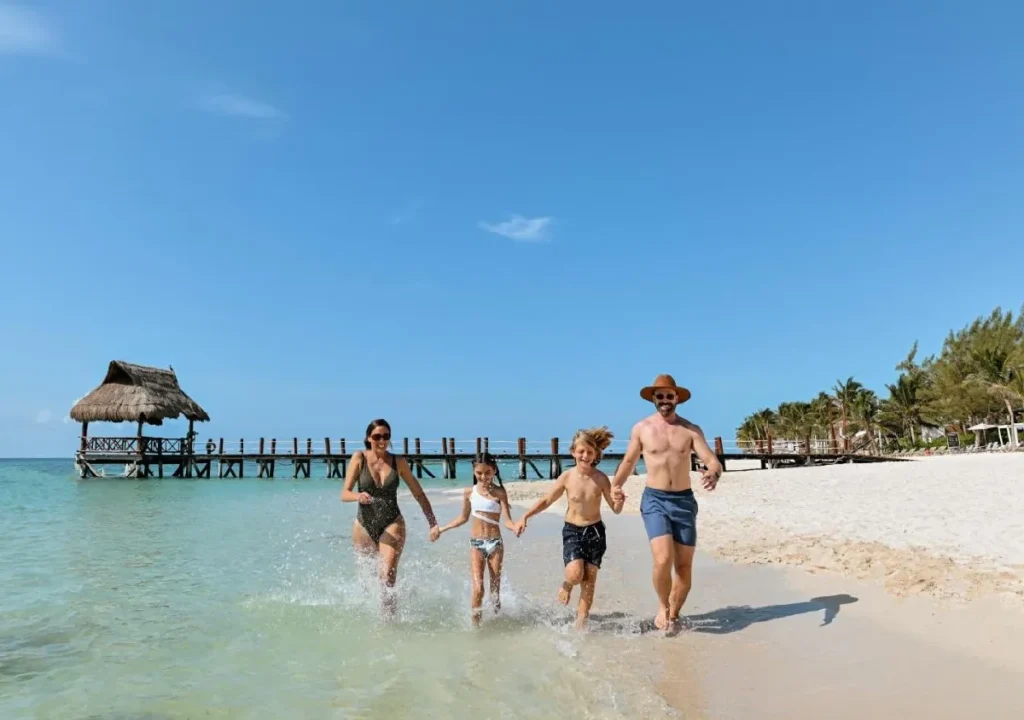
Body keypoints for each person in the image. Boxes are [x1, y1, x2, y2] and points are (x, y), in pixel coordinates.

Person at [610, 374, 723, 632]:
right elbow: (629, 461)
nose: (665, 400)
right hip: (655, 500)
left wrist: (713, 473)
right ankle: (662, 606)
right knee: (662, 560)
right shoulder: (641, 429)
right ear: (653, 398)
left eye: (669, 396)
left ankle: (674, 613)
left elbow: (711, 459)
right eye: (659, 396)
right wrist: (616, 485)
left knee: (683, 568)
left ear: (677, 399)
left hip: (683, 501)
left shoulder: (690, 430)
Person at [514, 427, 623, 629]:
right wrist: (525, 516)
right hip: (573, 530)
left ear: (596, 455)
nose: (585, 456)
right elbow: (547, 499)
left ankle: (581, 623)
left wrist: (620, 499)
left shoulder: (600, 478)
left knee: (589, 581)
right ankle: (567, 584)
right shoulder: (567, 477)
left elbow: (615, 509)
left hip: (596, 532)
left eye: (590, 452)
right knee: (575, 574)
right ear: (573, 451)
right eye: (581, 451)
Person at [340, 418, 441, 618]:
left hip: (392, 522)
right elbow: (344, 493)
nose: (382, 440)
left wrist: (432, 522)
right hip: (363, 525)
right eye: (377, 436)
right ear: (369, 438)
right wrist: (357, 496)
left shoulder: (398, 462)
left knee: (386, 578)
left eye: (386, 436)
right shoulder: (359, 458)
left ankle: (389, 623)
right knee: (367, 581)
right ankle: (369, 621)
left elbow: (418, 493)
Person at [436, 453, 519, 626]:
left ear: (494, 471)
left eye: (487, 472)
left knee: (495, 591)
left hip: (496, 544)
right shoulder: (469, 492)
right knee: (478, 588)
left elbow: (508, 521)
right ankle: (476, 628)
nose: (483, 477)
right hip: (476, 544)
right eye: (479, 473)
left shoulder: (499, 492)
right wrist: (442, 529)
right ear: (474, 472)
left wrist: (516, 527)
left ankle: (497, 621)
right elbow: (463, 518)